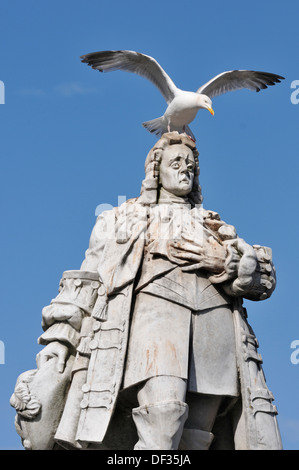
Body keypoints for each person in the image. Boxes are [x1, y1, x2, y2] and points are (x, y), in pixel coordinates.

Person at [10, 132, 282, 450]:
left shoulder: (216, 228)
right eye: (176, 162)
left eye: (191, 165)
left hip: (214, 329)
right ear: (156, 170)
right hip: (153, 324)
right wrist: (59, 341)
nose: (185, 170)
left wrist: (220, 259)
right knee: (163, 416)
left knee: (196, 438)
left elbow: (263, 281)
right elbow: (87, 281)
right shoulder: (120, 219)